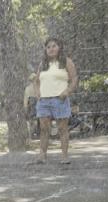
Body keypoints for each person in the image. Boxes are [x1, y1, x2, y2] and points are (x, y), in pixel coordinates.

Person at [34, 37, 78, 165]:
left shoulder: (66, 62)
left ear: (59, 47)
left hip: (60, 99)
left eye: (54, 46)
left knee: (62, 129)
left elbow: (74, 78)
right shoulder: (43, 64)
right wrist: (38, 94)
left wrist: (67, 92)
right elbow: (36, 81)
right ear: (45, 50)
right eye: (48, 47)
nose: (51, 49)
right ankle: (42, 155)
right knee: (43, 129)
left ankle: (64, 156)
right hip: (44, 101)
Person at [24, 73, 39, 139]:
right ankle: (32, 134)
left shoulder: (28, 88)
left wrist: (25, 107)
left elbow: (25, 100)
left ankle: (31, 134)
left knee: (32, 121)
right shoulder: (38, 87)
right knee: (35, 121)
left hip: (31, 105)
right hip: (34, 105)